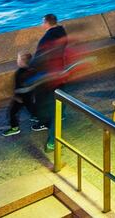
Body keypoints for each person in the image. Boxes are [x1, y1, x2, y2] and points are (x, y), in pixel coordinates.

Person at [33, 14, 68, 152]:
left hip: (50, 75)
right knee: (59, 101)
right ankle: (60, 115)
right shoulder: (61, 32)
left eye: (43, 22)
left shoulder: (46, 39)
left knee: (51, 105)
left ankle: (52, 142)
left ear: (47, 22)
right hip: (60, 71)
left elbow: (39, 58)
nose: (42, 24)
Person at [2, 52, 40, 137]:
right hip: (29, 95)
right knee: (31, 108)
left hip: (20, 97)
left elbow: (19, 87)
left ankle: (15, 128)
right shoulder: (32, 70)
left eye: (18, 59)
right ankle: (39, 118)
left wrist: (16, 96)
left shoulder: (19, 73)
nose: (17, 61)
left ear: (22, 62)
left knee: (12, 112)